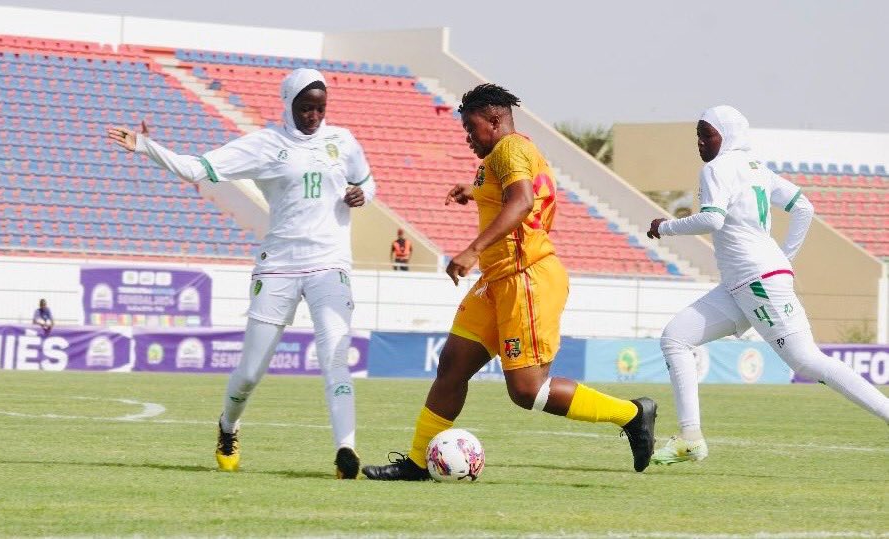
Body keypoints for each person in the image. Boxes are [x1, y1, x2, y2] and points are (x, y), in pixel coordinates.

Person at [362, 84, 657, 481]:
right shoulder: (502, 156)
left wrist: (471, 249)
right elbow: (510, 193)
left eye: (471, 127)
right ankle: (417, 463)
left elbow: (521, 201)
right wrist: (476, 191)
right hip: (498, 279)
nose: (467, 137)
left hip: (526, 279)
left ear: (496, 120)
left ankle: (632, 413)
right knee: (452, 365)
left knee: (527, 391)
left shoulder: (509, 148)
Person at [107, 68, 376, 479]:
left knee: (336, 358)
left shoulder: (343, 141)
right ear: (287, 105)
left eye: (320, 108)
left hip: (330, 264)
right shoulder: (265, 145)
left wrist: (362, 194)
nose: (313, 116)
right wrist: (146, 146)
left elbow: (367, 182)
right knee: (251, 371)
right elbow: (195, 169)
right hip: (280, 265)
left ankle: (345, 450)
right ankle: (228, 426)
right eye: (305, 108)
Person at [646, 105, 889, 465]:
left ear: (726, 135)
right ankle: (691, 438)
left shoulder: (716, 168)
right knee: (676, 338)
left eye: (707, 133)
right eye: (698, 134)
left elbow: (713, 220)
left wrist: (664, 227)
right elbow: (803, 207)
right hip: (743, 282)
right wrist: (784, 258)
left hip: (755, 280)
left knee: (807, 361)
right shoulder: (756, 168)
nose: (700, 141)